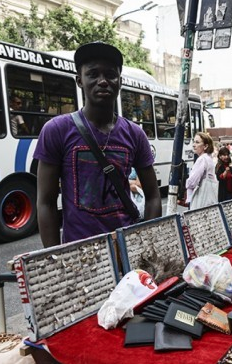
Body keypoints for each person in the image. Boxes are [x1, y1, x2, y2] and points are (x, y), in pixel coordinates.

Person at [34, 41, 161, 247]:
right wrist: (55, 256)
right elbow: (45, 202)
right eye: (93, 74)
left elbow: (154, 196)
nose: (102, 81)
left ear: (120, 81)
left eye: (110, 74)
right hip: (80, 254)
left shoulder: (135, 134)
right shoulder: (56, 130)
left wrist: (145, 243)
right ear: (79, 80)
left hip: (126, 249)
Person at [185, 132, 218, 209]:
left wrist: (186, 183)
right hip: (209, 201)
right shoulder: (209, 159)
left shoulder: (202, 159)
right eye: (194, 141)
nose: (193, 145)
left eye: (197, 142)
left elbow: (192, 182)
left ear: (205, 146)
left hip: (199, 202)